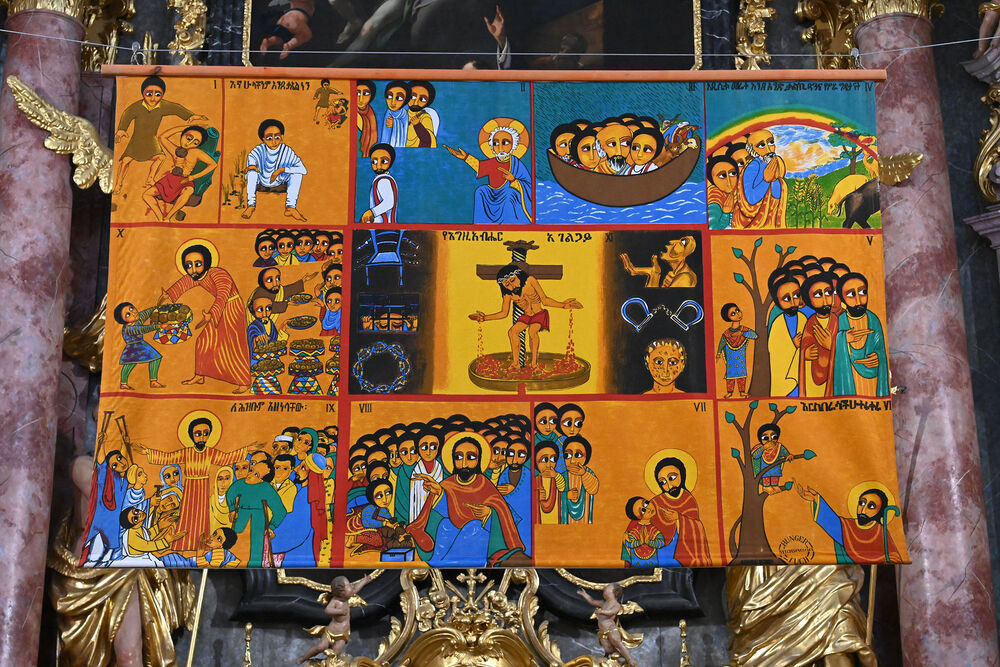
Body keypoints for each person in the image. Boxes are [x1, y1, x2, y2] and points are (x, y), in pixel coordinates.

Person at [137, 413, 261, 551]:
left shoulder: (210, 453)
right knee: (187, 517)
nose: (202, 438)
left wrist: (245, 451)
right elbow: (168, 457)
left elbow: (226, 458)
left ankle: (199, 546)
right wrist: (148, 452)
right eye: (198, 434)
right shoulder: (186, 452)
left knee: (201, 517)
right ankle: (184, 545)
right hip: (190, 488)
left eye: (205, 434)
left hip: (202, 488)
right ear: (191, 436)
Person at [407, 433, 528, 566]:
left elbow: (502, 512)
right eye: (459, 457)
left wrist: (488, 513)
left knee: (474, 527)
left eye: (470, 457)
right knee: (460, 526)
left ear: (478, 460)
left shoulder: (484, 484)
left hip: (478, 540)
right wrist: (440, 494)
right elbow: (436, 518)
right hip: (448, 541)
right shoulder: (446, 485)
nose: (464, 463)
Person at [160, 243, 252, 392]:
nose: (193, 269)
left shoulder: (218, 274)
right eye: (189, 265)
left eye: (197, 264)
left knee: (234, 344)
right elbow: (184, 283)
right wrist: (168, 294)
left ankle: (244, 382)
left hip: (232, 308)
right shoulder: (197, 276)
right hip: (219, 310)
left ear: (206, 262)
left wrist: (211, 314)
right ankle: (199, 375)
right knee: (203, 341)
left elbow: (222, 295)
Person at [469, 264, 582, 371]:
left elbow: (545, 300)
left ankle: (534, 364)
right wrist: (484, 318)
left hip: (539, 314)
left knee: (532, 331)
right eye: (507, 285)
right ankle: (516, 363)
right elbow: (504, 313)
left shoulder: (530, 281)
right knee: (512, 332)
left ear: (518, 275)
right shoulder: (508, 295)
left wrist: (563, 305)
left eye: (512, 280)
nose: (512, 286)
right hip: (527, 316)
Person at [113, 76, 204, 196]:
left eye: (157, 94)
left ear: (162, 95)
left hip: (151, 139)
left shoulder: (162, 106)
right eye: (149, 94)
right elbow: (127, 114)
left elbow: (176, 108)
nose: (153, 98)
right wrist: (122, 129)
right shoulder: (137, 106)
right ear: (143, 93)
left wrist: (190, 115)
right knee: (125, 161)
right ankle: (118, 184)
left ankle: (150, 178)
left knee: (160, 157)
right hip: (137, 140)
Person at [445, 118, 533, 224]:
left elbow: (528, 185)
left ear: (513, 145)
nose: (500, 147)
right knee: (481, 191)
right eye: (496, 143)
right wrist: (465, 157)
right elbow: (479, 167)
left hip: (509, 194)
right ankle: (481, 224)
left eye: (505, 143)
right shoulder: (492, 162)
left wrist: (513, 180)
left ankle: (509, 224)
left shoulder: (516, 164)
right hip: (492, 194)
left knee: (508, 193)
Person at [796, 483, 902, 563]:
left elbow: (894, 555)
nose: (863, 510)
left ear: (880, 512)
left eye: (871, 506)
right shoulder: (847, 526)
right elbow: (832, 522)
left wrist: (888, 560)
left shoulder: (880, 531)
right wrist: (816, 499)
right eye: (862, 503)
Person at [142, 124, 217, 222]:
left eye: (195, 142)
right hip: (170, 179)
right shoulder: (175, 150)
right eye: (188, 138)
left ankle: (168, 217)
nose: (189, 143)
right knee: (146, 195)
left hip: (185, 181)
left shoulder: (196, 152)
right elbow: (162, 137)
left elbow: (213, 164)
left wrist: (194, 177)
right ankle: (160, 217)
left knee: (189, 190)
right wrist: (183, 128)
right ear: (182, 135)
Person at [296, 573, 375, 664]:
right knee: (320, 647)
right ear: (341, 592)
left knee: (334, 653)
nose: (352, 586)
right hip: (331, 632)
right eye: (348, 585)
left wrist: (364, 581)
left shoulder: (346, 598)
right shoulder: (336, 601)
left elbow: (356, 588)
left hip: (343, 634)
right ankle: (303, 658)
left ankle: (326, 664)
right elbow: (328, 610)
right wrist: (340, 611)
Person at [832, 272, 889, 397]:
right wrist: (843, 339)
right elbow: (831, 354)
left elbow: (881, 350)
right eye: (851, 294)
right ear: (842, 298)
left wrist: (878, 357)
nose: (859, 300)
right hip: (850, 380)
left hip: (873, 382)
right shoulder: (839, 321)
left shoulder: (873, 320)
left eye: (863, 292)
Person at [648, 456, 711, 566]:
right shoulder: (656, 502)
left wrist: (678, 518)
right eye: (663, 482)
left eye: (672, 478)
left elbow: (697, 526)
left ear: (682, 474)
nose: (669, 485)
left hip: (684, 550)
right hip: (663, 550)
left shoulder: (688, 499)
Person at [242, 119, 308, 221]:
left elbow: (303, 170)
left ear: (282, 137)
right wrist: (251, 166)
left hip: (280, 179)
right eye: (269, 138)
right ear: (263, 139)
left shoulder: (286, 151)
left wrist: (281, 170)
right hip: (262, 179)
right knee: (252, 173)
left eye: (277, 137)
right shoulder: (258, 150)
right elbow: (252, 161)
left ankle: (290, 207)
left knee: (297, 174)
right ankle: (251, 205)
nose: (273, 142)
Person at [227, 456, 287, 567]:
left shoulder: (266, 488)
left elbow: (280, 511)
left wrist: (271, 527)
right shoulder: (240, 483)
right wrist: (232, 510)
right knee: (235, 549)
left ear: (262, 480)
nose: (250, 475)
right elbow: (230, 494)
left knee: (255, 553)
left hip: (257, 521)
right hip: (241, 518)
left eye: (256, 475)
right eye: (251, 470)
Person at [732, 129, 787, 228]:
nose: (768, 149)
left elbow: (777, 195)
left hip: (771, 219)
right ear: (752, 150)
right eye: (762, 145)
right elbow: (751, 199)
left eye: (771, 142)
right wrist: (766, 181)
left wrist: (777, 180)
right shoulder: (753, 166)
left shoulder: (776, 163)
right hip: (752, 222)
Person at [576, 585, 638, 666]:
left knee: (618, 643)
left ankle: (630, 659)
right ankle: (618, 655)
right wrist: (584, 595)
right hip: (602, 631)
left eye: (607, 588)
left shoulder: (616, 605)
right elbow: (592, 601)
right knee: (608, 649)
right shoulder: (603, 603)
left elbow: (612, 612)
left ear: (615, 592)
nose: (604, 589)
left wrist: (602, 612)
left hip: (611, 629)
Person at [799, 273, 839, 397]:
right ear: (809, 301)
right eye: (818, 295)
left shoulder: (838, 321)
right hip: (812, 379)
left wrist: (832, 345)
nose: (825, 299)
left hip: (834, 376)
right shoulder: (810, 323)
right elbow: (804, 347)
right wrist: (804, 354)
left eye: (828, 293)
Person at [767, 272, 805, 397]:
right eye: (787, 299)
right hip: (785, 380)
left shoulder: (803, 318)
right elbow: (775, 352)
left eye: (796, 295)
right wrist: (792, 345)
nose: (793, 302)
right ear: (778, 302)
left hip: (802, 375)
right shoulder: (778, 324)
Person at [113, 301, 165, 391]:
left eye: (131, 308)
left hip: (141, 344)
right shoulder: (129, 329)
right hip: (132, 348)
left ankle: (153, 381)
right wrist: (159, 326)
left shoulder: (137, 319)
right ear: (124, 321)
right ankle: (123, 383)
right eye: (128, 315)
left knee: (156, 358)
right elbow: (143, 329)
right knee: (130, 364)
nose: (133, 313)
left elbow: (147, 313)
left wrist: (158, 307)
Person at [496, 438, 531, 551]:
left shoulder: (528, 475)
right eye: (511, 454)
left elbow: (531, 497)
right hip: (509, 521)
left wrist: (514, 490)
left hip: (526, 520)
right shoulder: (503, 475)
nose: (514, 459)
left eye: (520, 455)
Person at [716, 302, 757, 398]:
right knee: (730, 374)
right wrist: (718, 352)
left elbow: (755, 336)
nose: (737, 314)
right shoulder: (727, 333)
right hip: (731, 357)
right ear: (728, 318)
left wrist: (741, 334)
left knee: (741, 374)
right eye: (733, 314)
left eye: (737, 310)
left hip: (741, 357)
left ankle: (742, 392)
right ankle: (730, 392)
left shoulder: (744, 329)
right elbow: (722, 342)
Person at [560, 436, 599, 524]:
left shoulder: (588, 474)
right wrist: (565, 496)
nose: (572, 461)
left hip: (585, 521)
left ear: (587, 457)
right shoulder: (562, 476)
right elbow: (555, 497)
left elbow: (593, 489)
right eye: (567, 455)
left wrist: (584, 474)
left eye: (578, 455)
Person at [621, 496, 665, 567]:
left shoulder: (654, 528)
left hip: (653, 562)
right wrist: (640, 542)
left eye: (645, 503)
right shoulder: (635, 529)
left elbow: (661, 542)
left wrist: (649, 542)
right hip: (637, 563)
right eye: (643, 511)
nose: (648, 509)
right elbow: (628, 543)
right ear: (638, 517)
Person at [360, 143, 398, 223]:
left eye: (384, 161)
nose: (378, 166)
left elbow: (389, 202)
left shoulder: (383, 180)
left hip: (382, 225)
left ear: (391, 161)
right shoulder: (383, 179)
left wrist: (372, 212)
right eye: (374, 161)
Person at [751, 424, 791, 495]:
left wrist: (788, 455)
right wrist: (763, 448)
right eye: (766, 438)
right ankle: (766, 487)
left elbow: (784, 452)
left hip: (775, 468)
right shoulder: (760, 448)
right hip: (765, 468)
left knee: (775, 476)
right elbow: (755, 456)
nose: (770, 440)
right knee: (766, 477)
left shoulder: (778, 447)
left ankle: (775, 486)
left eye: (774, 437)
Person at [707, 154, 739, 229]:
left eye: (733, 173)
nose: (729, 181)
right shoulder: (715, 198)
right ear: (712, 180)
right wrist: (726, 213)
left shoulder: (741, 191)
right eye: (722, 176)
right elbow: (713, 228)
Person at [535, 442, 563, 525]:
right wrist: (536, 496)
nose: (549, 465)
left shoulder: (558, 478)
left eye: (553, 459)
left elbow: (562, 489)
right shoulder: (534, 480)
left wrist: (556, 476)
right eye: (544, 460)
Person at [406, 81, 438, 147]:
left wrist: (418, 125)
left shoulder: (425, 117)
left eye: (422, 99)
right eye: (412, 97)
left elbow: (428, 141)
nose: (415, 102)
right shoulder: (402, 115)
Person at [379, 81, 410, 148]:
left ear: (405, 100)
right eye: (389, 96)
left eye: (399, 98)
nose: (393, 102)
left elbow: (404, 131)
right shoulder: (388, 112)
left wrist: (394, 123)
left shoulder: (404, 114)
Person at [356, 80, 378, 157]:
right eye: (357, 93)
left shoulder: (370, 114)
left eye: (365, 94)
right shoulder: (349, 112)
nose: (361, 99)